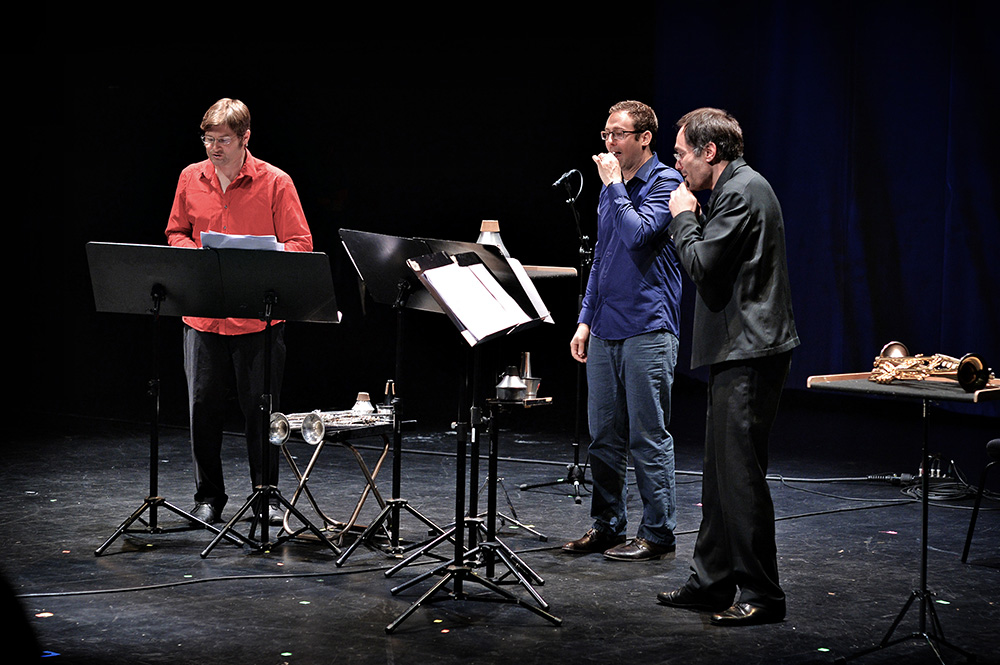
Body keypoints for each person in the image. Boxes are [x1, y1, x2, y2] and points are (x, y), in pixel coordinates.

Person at [657, 108, 799, 625]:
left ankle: (763, 593)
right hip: (737, 348)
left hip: (751, 350)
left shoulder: (740, 192)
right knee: (720, 474)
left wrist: (681, 216)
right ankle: (712, 582)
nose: (677, 165)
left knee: (739, 476)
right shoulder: (735, 188)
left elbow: (701, 265)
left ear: (709, 151)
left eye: (681, 154)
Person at [165, 98, 313, 525]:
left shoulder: (276, 182)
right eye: (208, 139)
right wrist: (193, 253)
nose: (214, 148)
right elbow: (176, 231)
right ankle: (208, 497)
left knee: (261, 413)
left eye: (224, 140)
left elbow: (300, 243)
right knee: (202, 410)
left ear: (245, 138)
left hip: (256, 318)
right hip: (204, 316)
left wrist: (261, 259)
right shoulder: (190, 177)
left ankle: (266, 497)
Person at [562, 100, 683, 562]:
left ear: (644, 138)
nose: (609, 143)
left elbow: (637, 235)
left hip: (648, 325)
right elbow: (603, 257)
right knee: (603, 436)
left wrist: (614, 184)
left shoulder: (666, 182)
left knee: (647, 435)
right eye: (606, 134)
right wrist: (585, 319)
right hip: (606, 327)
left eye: (618, 134)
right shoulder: (609, 191)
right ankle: (608, 525)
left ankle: (658, 533)